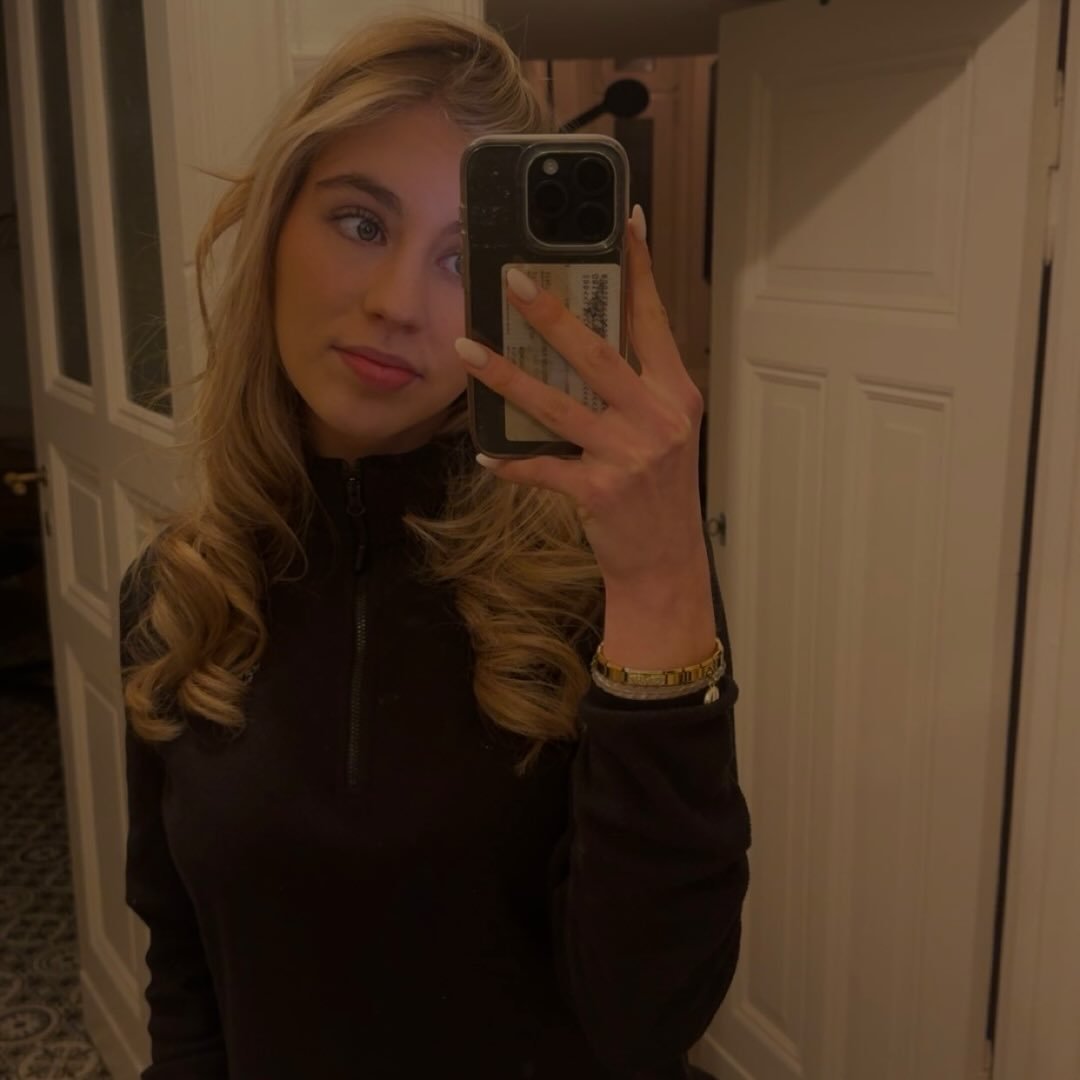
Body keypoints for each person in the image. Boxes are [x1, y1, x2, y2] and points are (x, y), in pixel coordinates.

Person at [119, 11, 750, 1080]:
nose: (395, 304)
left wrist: (661, 575)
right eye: (360, 223)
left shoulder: (599, 585)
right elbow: (184, 971)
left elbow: (649, 1017)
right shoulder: (178, 594)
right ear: (274, 227)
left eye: (462, 259)